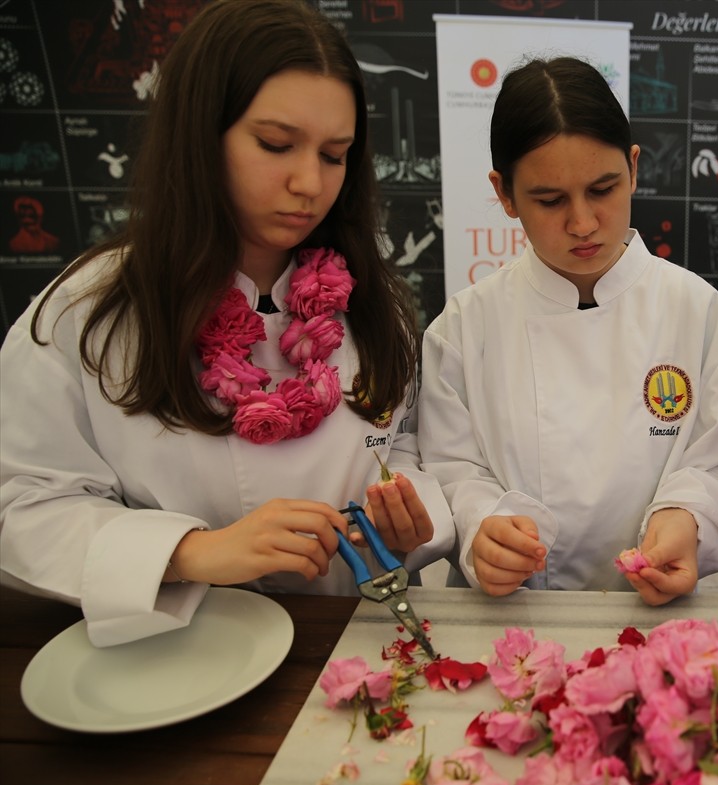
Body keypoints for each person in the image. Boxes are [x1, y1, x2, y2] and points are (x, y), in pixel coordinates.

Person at [0, 0, 453, 647]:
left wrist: (410, 518)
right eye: (275, 144)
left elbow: (405, 449)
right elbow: (24, 505)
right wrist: (189, 552)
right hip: (172, 654)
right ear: (199, 134)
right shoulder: (88, 314)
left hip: (343, 647)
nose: (309, 182)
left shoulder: (372, 307)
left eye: (335, 154)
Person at [417, 57, 718, 604]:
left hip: (657, 616)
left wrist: (687, 515)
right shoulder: (465, 325)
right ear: (504, 194)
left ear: (634, 168)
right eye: (550, 200)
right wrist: (486, 524)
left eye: (603, 189)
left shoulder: (693, 308)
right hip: (510, 616)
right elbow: (450, 465)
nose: (582, 223)